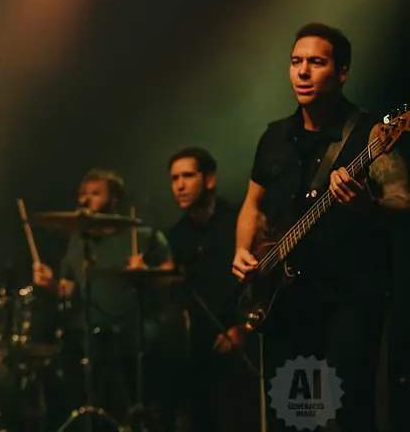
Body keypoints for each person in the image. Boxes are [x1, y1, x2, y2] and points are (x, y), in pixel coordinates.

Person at [232, 23, 410, 432]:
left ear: (342, 72)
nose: (303, 71)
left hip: (349, 297)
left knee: (348, 414)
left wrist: (368, 206)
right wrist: (243, 250)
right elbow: (252, 204)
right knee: (293, 416)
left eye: (316, 62)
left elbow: (403, 201)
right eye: (296, 61)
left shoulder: (369, 133)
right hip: (285, 302)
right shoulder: (275, 136)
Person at [31, 168, 172, 428]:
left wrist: (146, 272)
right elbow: (69, 290)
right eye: (82, 194)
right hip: (90, 336)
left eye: (95, 193)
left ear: (114, 199)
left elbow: (171, 278)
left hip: (134, 333)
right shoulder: (77, 241)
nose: (85, 200)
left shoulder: (142, 236)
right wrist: (50, 284)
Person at [166, 147, 258, 432]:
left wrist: (244, 327)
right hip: (200, 346)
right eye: (174, 178)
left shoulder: (237, 221)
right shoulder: (176, 234)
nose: (179, 185)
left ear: (209, 179)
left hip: (245, 338)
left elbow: (260, 281)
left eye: (187, 176)